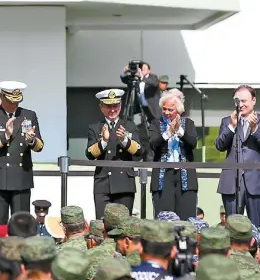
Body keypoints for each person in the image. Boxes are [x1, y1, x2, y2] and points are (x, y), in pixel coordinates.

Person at [0, 81, 44, 229]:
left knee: (21, 224)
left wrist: (31, 140)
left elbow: (40, 146)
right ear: (1, 97)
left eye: (17, 101)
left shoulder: (29, 115)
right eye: (11, 101)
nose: (14, 105)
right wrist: (6, 136)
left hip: (21, 176)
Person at [215, 85, 260, 227]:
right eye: (237, 101)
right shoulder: (227, 121)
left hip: (257, 181)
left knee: (258, 225)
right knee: (233, 226)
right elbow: (219, 145)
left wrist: (256, 129)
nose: (241, 104)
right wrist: (231, 127)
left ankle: (258, 249)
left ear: (253, 100)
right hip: (232, 180)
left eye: (244, 101)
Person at [85, 89, 141, 219]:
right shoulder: (95, 127)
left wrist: (125, 141)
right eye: (108, 106)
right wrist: (103, 141)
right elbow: (89, 154)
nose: (112, 110)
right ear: (101, 107)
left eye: (115, 106)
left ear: (120, 106)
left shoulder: (129, 125)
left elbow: (139, 152)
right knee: (102, 226)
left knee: (123, 226)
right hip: (103, 183)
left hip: (124, 183)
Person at [149, 92, 198, 220]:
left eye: (170, 109)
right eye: (164, 109)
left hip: (185, 176)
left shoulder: (188, 123)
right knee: (164, 219)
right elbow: (153, 144)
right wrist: (168, 132)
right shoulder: (155, 124)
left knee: (187, 219)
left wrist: (179, 131)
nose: (167, 112)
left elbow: (193, 143)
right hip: (163, 176)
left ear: (178, 110)